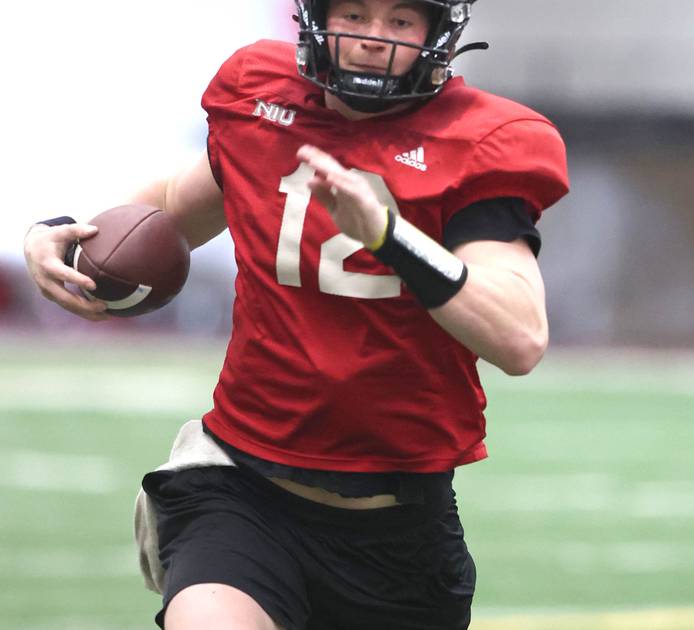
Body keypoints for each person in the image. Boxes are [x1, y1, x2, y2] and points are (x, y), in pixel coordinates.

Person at [22, 0, 568, 628]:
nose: (371, 39)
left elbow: (520, 338)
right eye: (355, 14)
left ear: (438, 32)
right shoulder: (260, 96)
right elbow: (171, 206)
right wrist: (64, 235)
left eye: (399, 20)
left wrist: (391, 238)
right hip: (240, 489)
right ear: (314, 18)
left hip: (397, 526)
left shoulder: (483, 141)